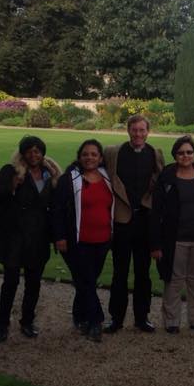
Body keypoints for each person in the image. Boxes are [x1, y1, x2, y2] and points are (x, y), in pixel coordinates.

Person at [0, 135, 62, 342]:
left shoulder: (50, 175)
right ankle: (2, 324)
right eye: (29, 150)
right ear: (23, 153)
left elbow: (56, 208)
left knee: (33, 283)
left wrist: (57, 236)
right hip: (13, 237)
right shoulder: (11, 172)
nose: (33, 154)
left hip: (37, 237)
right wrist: (10, 187)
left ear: (42, 153)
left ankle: (27, 322)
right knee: (10, 282)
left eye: (37, 151)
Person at [103, 114, 165, 333]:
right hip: (122, 221)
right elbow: (89, 163)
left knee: (143, 273)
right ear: (128, 130)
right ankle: (116, 318)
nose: (138, 134)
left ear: (148, 131)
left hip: (144, 222)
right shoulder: (113, 153)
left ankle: (142, 317)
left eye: (142, 130)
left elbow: (162, 182)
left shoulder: (155, 154)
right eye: (134, 130)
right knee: (119, 272)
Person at [149, 136, 194, 333]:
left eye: (189, 152)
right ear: (175, 155)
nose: (185, 156)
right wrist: (155, 244)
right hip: (174, 238)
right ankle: (171, 321)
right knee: (174, 279)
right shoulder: (167, 177)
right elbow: (156, 211)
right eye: (181, 152)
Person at [52, 139, 114, 342]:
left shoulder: (107, 177)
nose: (89, 158)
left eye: (94, 154)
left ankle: (79, 316)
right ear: (79, 156)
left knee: (85, 281)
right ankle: (96, 320)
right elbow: (57, 209)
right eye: (85, 154)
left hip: (103, 239)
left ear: (100, 158)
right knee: (87, 281)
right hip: (77, 241)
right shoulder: (69, 179)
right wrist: (59, 236)